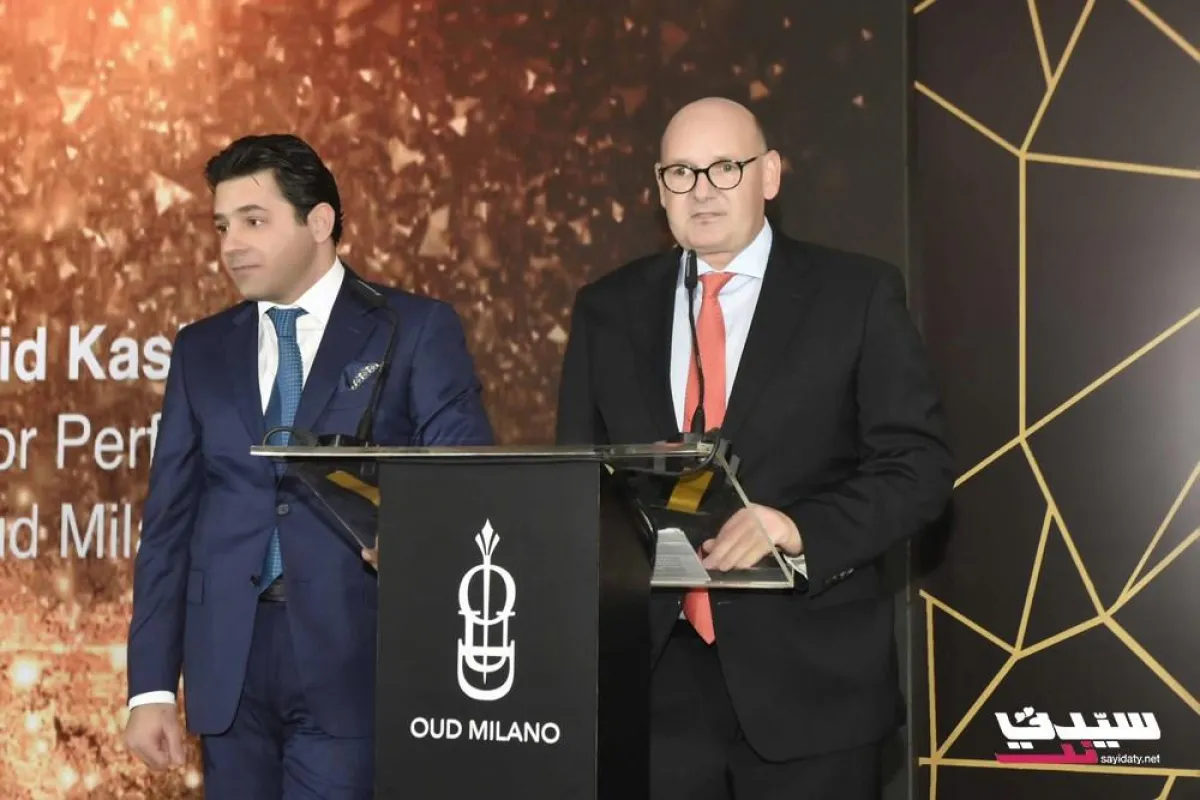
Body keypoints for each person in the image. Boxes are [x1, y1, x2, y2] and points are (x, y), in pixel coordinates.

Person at [555, 97, 954, 799]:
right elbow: (577, 484)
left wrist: (799, 529)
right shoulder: (606, 309)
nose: (701, 190)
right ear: (659, 190)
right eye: (681, 173)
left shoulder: (856, 293)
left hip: (813, 690)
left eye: (724, 168)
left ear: (769, 175)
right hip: (651, 688)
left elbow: (918, 469)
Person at [123, 133, 494, 798]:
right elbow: (169, 523)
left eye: (253, 221)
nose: (231, 244)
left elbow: (468, 485)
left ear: (319, 222)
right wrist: (150, 687)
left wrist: (412, 535)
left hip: (354, 658)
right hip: (227, 664)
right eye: (222, 226)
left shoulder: (413, 329)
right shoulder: (200, 349)